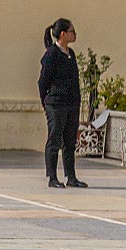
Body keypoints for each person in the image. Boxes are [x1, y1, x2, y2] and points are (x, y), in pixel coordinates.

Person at [39, 17, 87, 189]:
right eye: (72, 31)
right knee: (54, 139)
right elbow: (43, 81)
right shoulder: (52, 54)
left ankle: (71, 177)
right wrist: (46, 101)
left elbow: (74, 80)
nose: (75, 34)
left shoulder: (70, 55)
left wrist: (77, 101)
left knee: (69, 141)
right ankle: (52, 177)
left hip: (71, 104)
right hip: (56, 103)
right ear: (63, 34)